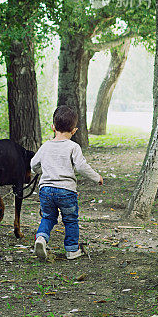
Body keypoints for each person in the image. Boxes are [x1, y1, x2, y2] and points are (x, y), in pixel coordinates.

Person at [30, 105, 103, 261]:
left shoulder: (45, 146)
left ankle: (41, 238)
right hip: (66, 191)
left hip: (46, 190)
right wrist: (97, 177)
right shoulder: (73, 147)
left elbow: (33, 165)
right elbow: (81, 166)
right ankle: (71, 250)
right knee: (70, 219)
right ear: (74, 130)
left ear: (53, 127)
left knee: (48, 218)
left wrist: (42, 171)